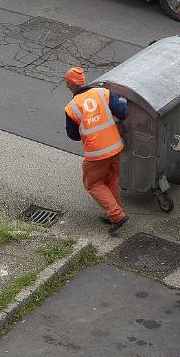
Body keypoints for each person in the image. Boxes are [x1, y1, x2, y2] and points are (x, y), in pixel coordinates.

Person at [63, 67, 130, 234]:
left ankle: (116, 215)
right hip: (114, 145)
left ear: (71, 84)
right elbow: (123, 112)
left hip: (96, 152)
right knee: (111, 180)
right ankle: (114, 211)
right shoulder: (102, 93)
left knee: (93, 183)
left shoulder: (72, 107)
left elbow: (73, 135)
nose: (66, 85)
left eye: (67, 83)